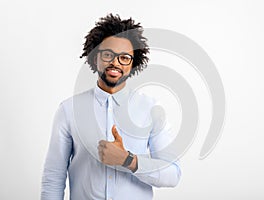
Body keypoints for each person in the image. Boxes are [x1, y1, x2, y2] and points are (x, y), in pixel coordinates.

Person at [41, 13, 181, 200]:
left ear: (133, 63)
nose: (115, 62)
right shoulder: (68, 110)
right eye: (108, 55)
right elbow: (53, 177)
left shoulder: (152, 109)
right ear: (95, 57)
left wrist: (128, 160)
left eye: (124, 57)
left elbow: (173, 174)